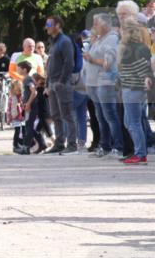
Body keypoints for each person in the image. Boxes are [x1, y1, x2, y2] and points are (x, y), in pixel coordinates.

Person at [83, 14, 123, 158]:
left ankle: (118, 147)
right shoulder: (100, 39)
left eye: (96, 23)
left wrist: (91, 59)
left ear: (106, 24)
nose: (94, 26)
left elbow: (108, 63)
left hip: (106, 82)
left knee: (110, 116)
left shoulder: (112, 38)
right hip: (95, 84)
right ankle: (105, 146)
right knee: (101, 116)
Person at [118, 18, 154, 165]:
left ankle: (140, 154)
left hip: (133, 88)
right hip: (133, 88)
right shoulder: (138, 47)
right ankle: (139, 151)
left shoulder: (132, 49)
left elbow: (142, 67)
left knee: (133, 122)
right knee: (130, 122)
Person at [42, 15, 79, 155]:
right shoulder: (53, 42)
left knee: (67, 115)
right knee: (56, 115)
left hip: (61, 84)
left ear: (58, 25)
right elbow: (49, 65)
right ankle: (59, 143)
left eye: (49, 24)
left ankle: (72, 145)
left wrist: (61, 82)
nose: (47, 27)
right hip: (52, 84)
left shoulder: (65, 41)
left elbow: (69, 63)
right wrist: (47, 84)